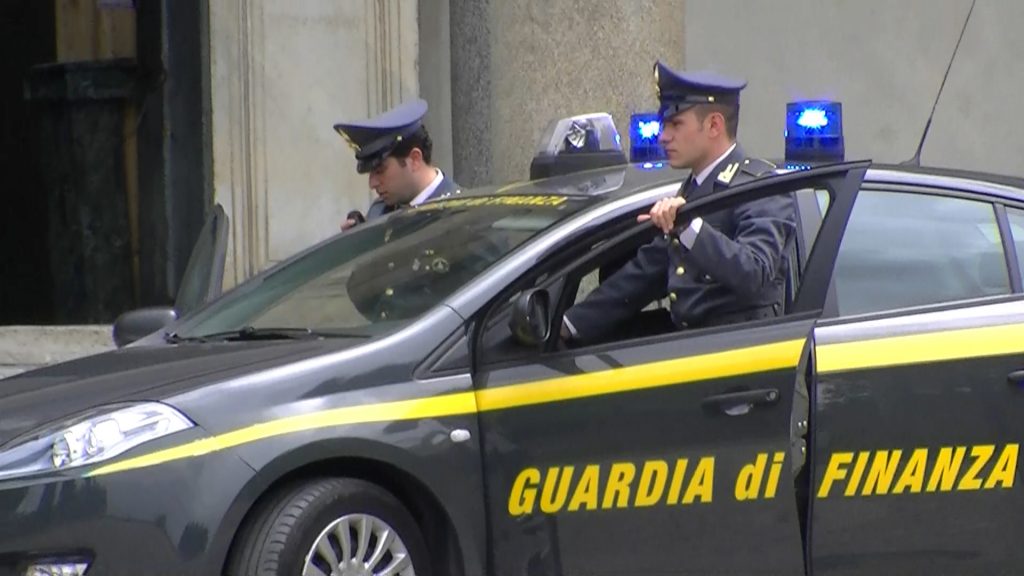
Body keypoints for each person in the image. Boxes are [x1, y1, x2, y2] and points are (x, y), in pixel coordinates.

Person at [561, 61, 796, 344]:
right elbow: (646, 272)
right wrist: (568, 325)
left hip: (742, 359)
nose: (663, 136)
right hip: (689, 352)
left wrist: (687, 226)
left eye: (675, 124)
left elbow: (755, 272)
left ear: (714, 125)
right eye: (664, 125)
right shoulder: (693, 188)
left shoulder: (759, 187)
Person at [334, 98, 460, 231]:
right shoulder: (379, 211)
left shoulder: (460, 215)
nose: (372, 184)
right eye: (370, 172)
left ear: (415, 159)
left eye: (380, 170)